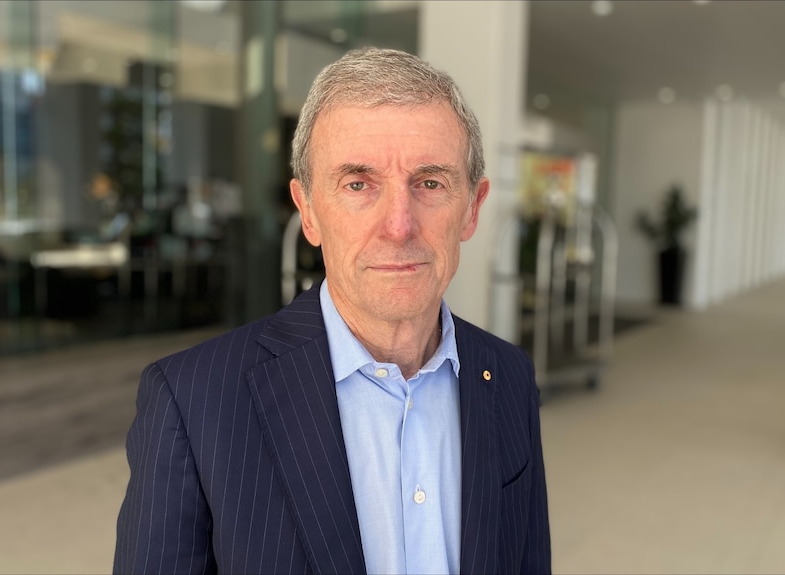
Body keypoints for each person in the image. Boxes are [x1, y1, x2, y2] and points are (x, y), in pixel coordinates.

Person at [114, 47, 550, 575]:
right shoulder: (191, 401)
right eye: (359, 184)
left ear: (472, 208)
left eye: (430, 183)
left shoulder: (508, 375)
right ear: (310, 212)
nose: (398, 226)